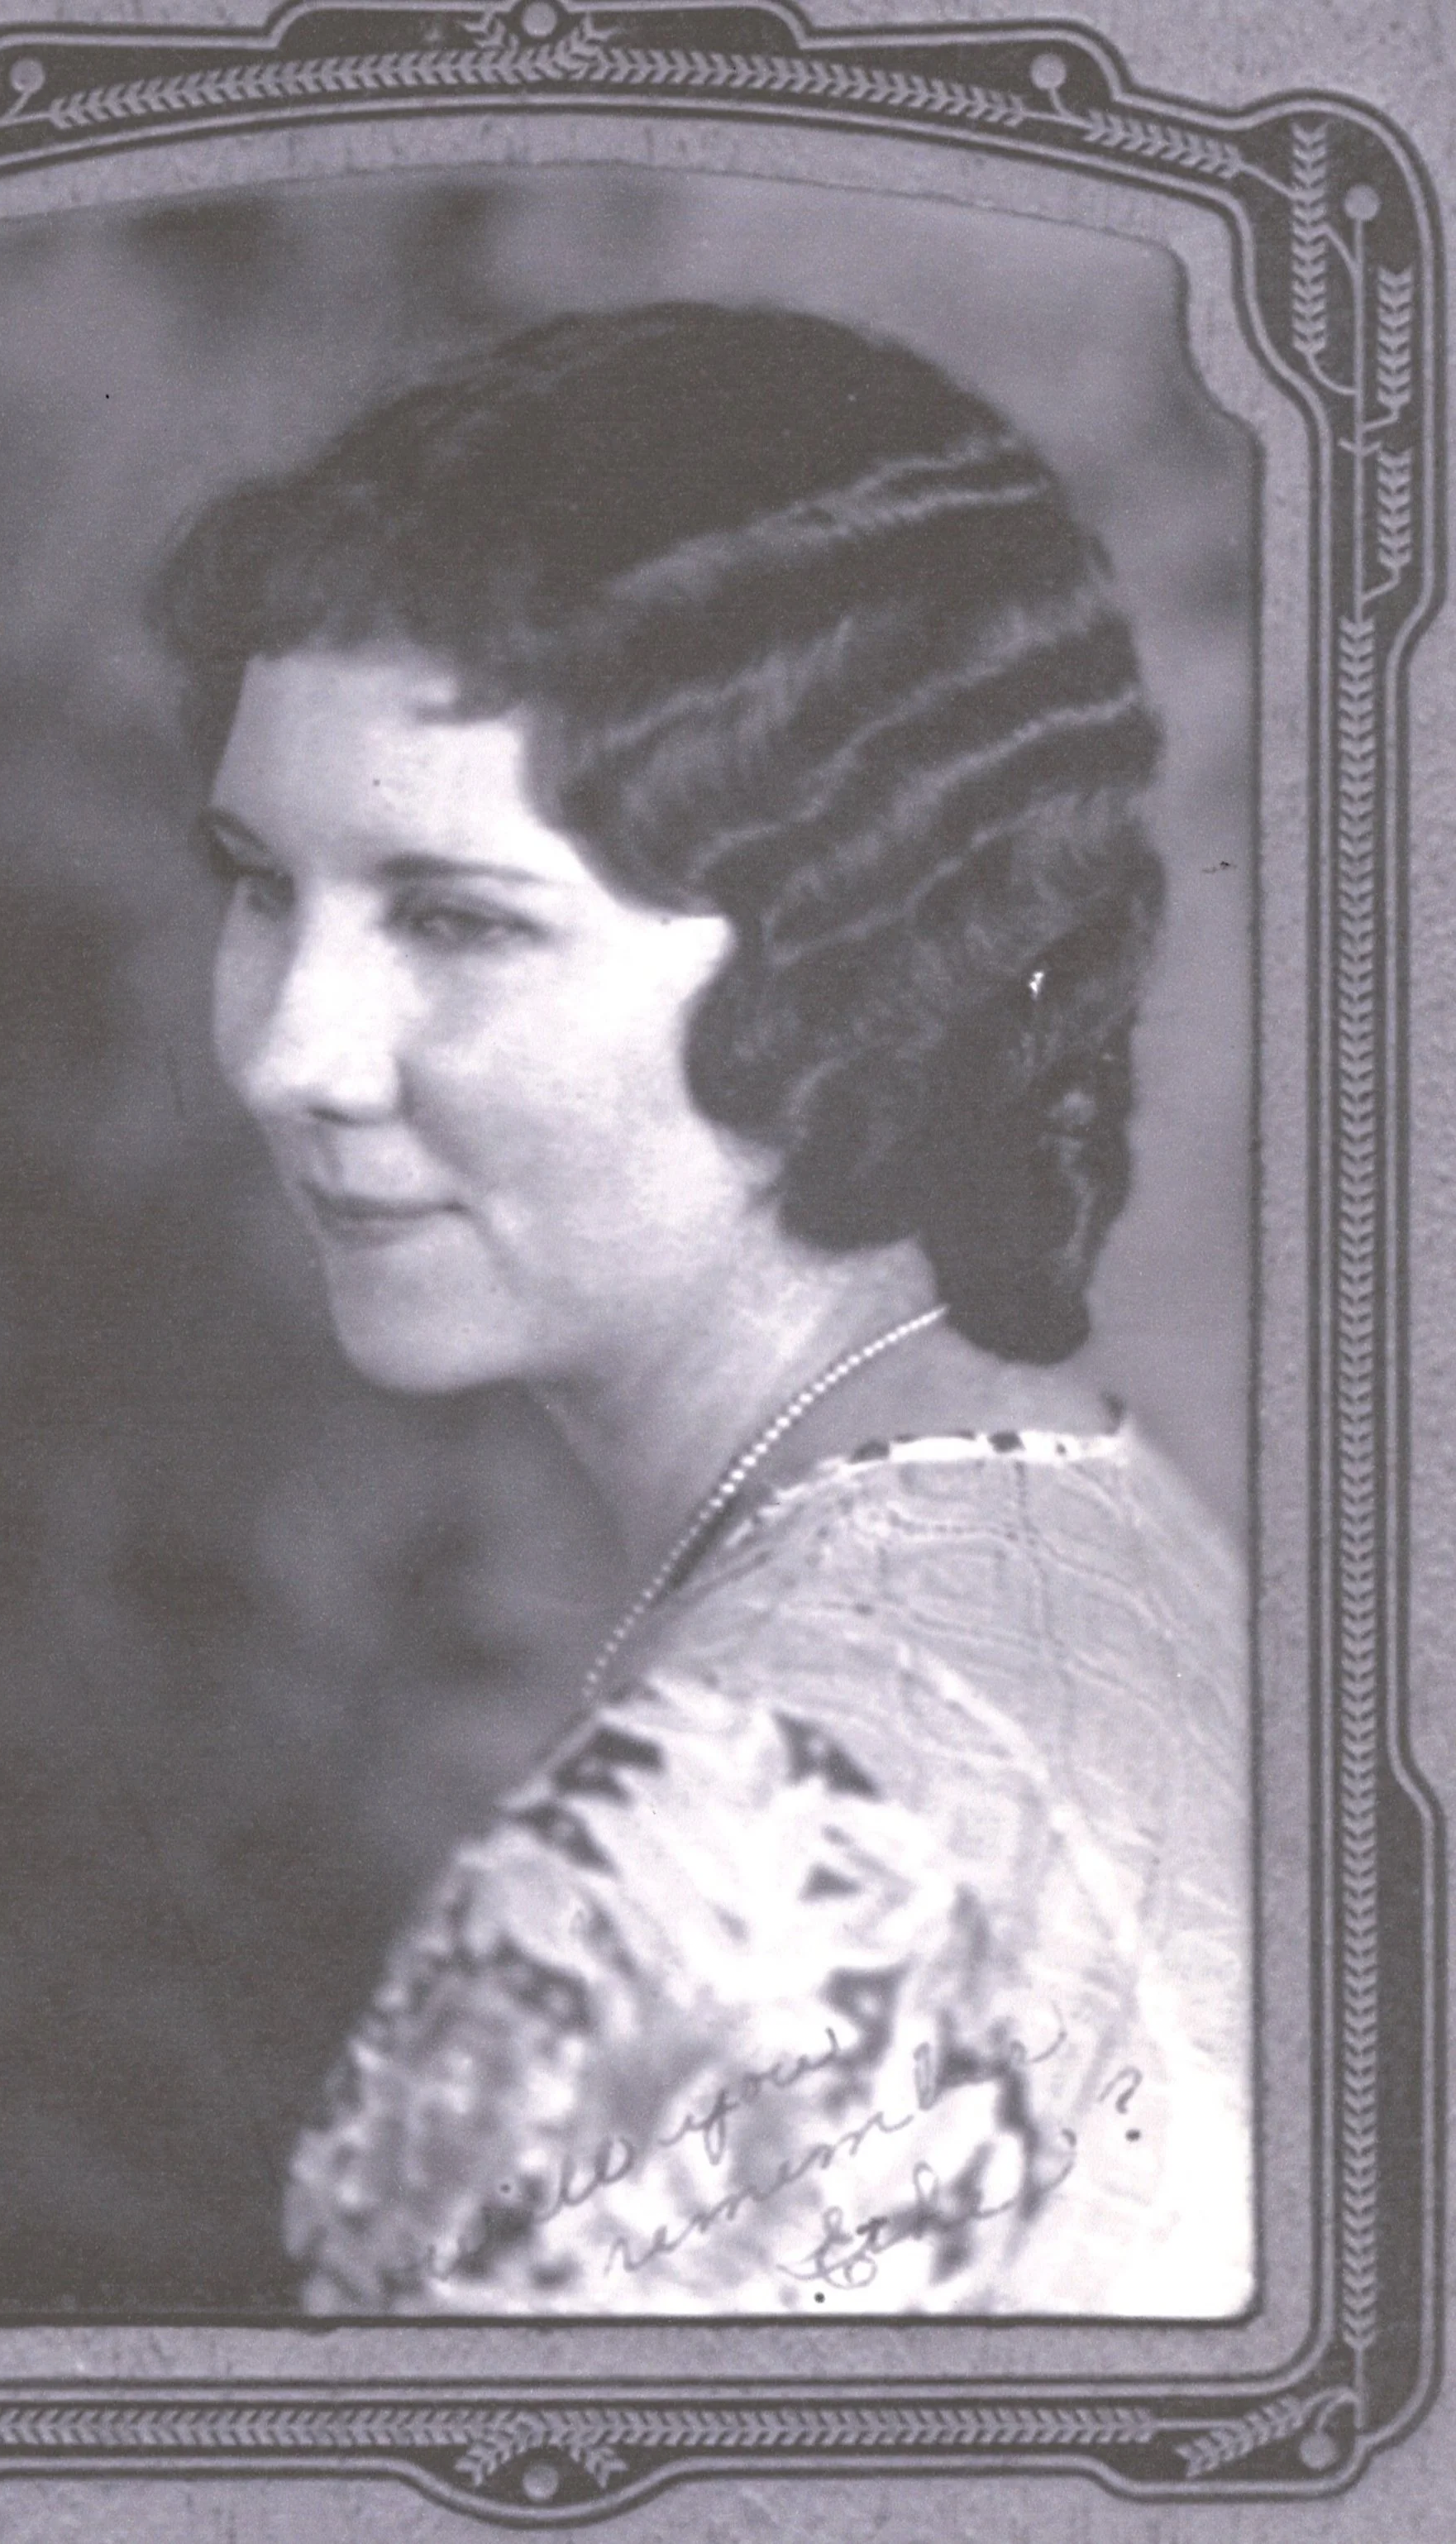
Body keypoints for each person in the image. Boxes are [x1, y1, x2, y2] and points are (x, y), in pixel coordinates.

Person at [151, 303, 1252, 2317]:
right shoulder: (1104, 1535)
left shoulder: (711, 1888)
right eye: (256, 881)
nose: (286, 1051)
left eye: (453, 918)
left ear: (853, 964)